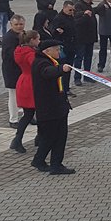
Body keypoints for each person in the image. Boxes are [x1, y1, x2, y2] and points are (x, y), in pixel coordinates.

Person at [30, 39, 75, 175]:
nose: (59, 52)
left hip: (56, 107)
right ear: (47, 51)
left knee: (55, 136)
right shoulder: (42, 63)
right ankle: (53, 164)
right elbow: (48, 72)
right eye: (56, 49)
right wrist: (61, 69)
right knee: (52, 137)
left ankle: (43, 161)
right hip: (50, 108)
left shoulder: (50, 61)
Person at [10, 30, 40, 154]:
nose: (39, 41)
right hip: (32, 82)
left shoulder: (19, 50)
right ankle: (36, 138)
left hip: (23, 80)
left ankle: (18, 139)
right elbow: (36, 67)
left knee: (28, 114)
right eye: (38, 39)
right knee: (38, 112)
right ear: (32, 40)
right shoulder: (30, 54)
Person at [2, 14, 26, 127]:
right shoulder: (9, 38)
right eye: (16, 24)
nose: (19, 26)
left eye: (21, 24)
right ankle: (13, 119)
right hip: (12, 70)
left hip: (23, 69)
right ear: (11, 24)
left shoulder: (24, 35)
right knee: (13, 95)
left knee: (26, 94)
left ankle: (28, 116)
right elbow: (9, 56)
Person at [71, 0, 97, 85]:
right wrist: (85, 14)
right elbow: (77, 21)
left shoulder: (89, 5)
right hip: (81, 37)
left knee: (88, 57)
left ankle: (87, 76)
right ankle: (77, 77)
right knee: (79, 57)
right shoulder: (78, 5)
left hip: (90, 37)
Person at [50, 1, 77, 94]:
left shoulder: (71, 17)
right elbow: (53, 32)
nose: (71, 12)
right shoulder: (59, 18)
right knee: (63, 68)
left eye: (73, 10)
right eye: (70, 10)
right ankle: (62, 88)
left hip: (72, 46)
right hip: (63, 47)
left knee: (69, 68)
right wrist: (58, 31)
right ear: (64, 8)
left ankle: (66, 87)